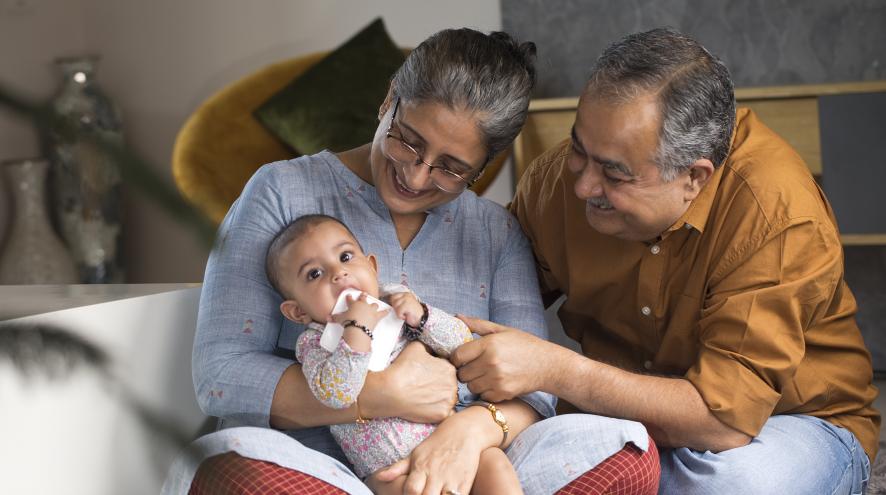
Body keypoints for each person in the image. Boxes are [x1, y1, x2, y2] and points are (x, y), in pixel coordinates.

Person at [163, 28, 660, 495]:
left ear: (483, 166)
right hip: (320, 469)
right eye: (408, 140)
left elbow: (535, 393)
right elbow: (221, 375)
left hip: (471, 469)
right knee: (228, 464)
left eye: (451, 168)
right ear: (388, 101)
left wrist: (466, 435)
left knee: (624, 447)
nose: (417, 177)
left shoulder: (495, 232)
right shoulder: (280, 191)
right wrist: (379, 396)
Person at [452, 27, 879, 495]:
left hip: (788, 423)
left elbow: (723, 420)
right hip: (624, 421)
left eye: (614, 174)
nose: (583, 187)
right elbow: (482, 297)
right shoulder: (558, 182)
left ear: (693, 178)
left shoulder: (775, 213)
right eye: (578, 148)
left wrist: (557, 370)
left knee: (727, 487)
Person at [265, 213, 522, 494]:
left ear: (372, 267)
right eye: (314, 274)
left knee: (493, 462)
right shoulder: (313, 344)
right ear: (297, 311)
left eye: (346, 257)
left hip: (447, 444)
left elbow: (461, 344)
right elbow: (336, 395)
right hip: (385, 470)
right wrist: (357, 328)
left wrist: (423, 317)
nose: (338, 274)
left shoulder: (397, 303)